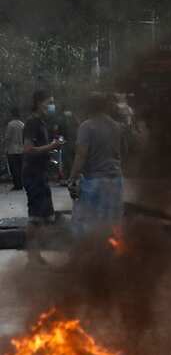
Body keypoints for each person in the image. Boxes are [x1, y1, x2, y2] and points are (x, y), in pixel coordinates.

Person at [67, 92, 125, 242]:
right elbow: (120, 152)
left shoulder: (87, 126)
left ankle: (86, 257)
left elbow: (81, 155)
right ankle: (112, 258)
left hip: (95, 181)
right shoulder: (116, 126)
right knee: (112, 222)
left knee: (83, 223)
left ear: (89, 107)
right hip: (116, 180)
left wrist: (72, 178)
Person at [23, 90, 63, 266]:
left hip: (40, 173)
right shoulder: (32, 122)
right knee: (35, 217)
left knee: (43, 216)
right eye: (49, 102)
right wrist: (51, 146)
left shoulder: (41, 122)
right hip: (33, 175)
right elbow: (28, 149)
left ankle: (35, 254)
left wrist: (50, 151)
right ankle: (32, 256)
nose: (51, 106)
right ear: (39, 102)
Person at [4, 108, 23, 191]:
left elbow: (7, 137)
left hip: (12, 149)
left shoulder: (10, 124)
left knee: (14, 168)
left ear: (12, 115)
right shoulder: (22, 124)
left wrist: (5, 148)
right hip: (21, 149)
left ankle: (17, 185)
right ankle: (21, 184)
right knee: (20, 167)